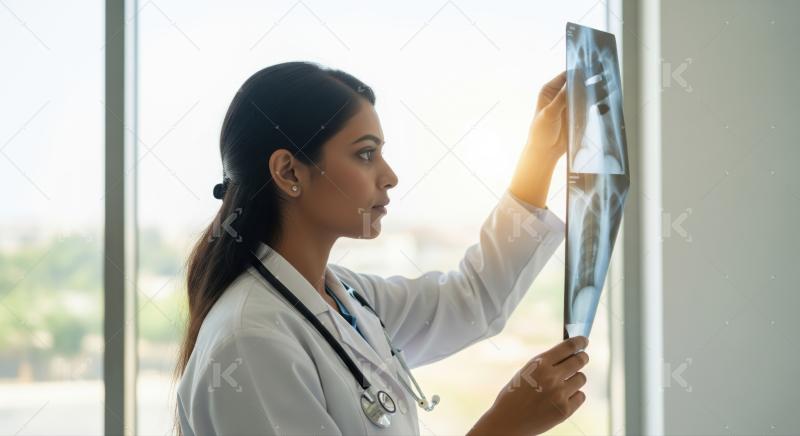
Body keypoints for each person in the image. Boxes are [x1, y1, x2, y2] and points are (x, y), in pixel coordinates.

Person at [174, 61, 590, 436]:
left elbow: (471, 300)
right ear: (288, 171)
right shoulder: (250, 343)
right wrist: (503, 428)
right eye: (366, 154)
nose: (389, 176)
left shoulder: (348, 299)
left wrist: (540, 155)